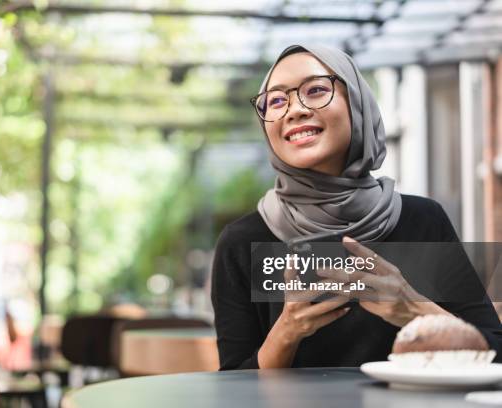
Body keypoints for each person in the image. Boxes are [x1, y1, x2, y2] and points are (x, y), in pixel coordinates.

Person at [210, 44, 502, 370]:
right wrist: (286, 332)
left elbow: (494, 351)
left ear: (358, 104)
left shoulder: (422, 220)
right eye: (276, 101)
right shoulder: (242, 240)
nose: (294, 110)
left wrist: (414, 308)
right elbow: (233, 385)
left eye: (316, 90)